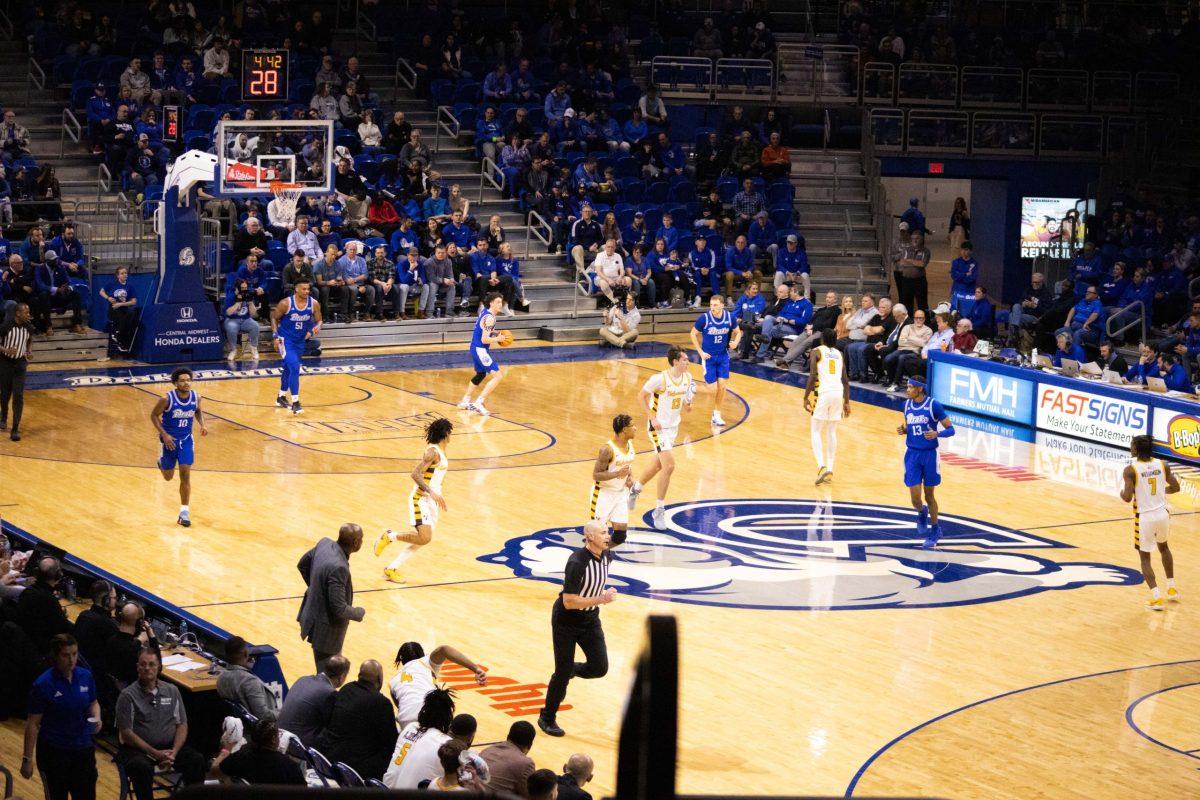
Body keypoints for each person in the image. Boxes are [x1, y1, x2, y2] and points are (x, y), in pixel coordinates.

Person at [538, 520, 617, 738]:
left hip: (590, 618)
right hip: (566, 621)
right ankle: (547, 717)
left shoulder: (607, 554)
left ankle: (571, 669)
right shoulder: (577, 562)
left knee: (600, 667)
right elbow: (569, 602)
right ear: (590, 537)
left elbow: (620, 536)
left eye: (607, 532)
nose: (607, 536)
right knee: (561, 673)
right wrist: (602, 597)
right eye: (603, 533)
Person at [116, 649, 206, 800]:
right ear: (137, 667)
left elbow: (182, 724)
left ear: (159, 667)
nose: (147, 668)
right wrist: (155, 753)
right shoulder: (127, 696)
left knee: (196, 760)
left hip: (169, 748)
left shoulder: (172, 691)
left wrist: (174, 752)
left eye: (151, 664)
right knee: (141, 768)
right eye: (143, 664)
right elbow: (127, 734)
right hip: (139, 750)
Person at [21, 634, 100, 800]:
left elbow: (93, 702)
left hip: (83, 750)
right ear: (56, 656)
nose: (72, 660)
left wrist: (97, 717)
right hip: (54, 753)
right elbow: (33, 724)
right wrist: (27, 759)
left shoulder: (85, 676)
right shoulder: (43, 684)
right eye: (66, 655)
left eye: (75, 654)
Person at [375, 417, 453, 583]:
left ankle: (391, 569)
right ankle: (390, 536)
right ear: (445, 433)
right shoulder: (432, 452)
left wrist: (437, 493)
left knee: (422, 540)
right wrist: (431, 491)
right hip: (421, 498)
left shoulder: (441, 451)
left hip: (432, 500)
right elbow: (415, 474)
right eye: (450, 432)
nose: (451, 436)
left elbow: (434, 477)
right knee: (424, 537)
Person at [628, 346, 694, 531]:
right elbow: (641, 396)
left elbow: (683, 401)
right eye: (685, 360)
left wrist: (687, 405)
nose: (688, 362)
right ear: (675, 362)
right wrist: (652, 417)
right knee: (669, 465)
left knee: (658, 465)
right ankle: (659, 509)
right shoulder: (659, 379)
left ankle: (635, 489)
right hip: (658, 428)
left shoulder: (687, 378)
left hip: (673, 427)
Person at [1120, 435, 1180, 611]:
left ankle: (1156, 597)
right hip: (1162, 513)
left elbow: (1127, 497)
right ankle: (1172, 587)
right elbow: (1176, 488)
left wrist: (1120, 492)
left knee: (1145, 558)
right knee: (1164, 548)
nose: (1130, 447)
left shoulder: (1130, 470)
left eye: (1132, 445)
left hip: (1145, 517)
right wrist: (1159, 493)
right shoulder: (1163, 464)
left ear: (1136, 449)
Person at [296, 524, 367, 671]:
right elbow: (339, 608)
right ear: (355, 543)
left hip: (313, 613)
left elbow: (303, 564)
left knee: (328, 674)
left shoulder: (325, 544)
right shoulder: (339, 567)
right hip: (326, 630)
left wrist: (317, 587)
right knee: (327, 676)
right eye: (361, 539)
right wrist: (358, 613)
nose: (362, 541)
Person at [314, 659, 397, 781]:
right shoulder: (382, 703)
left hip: (328, 755)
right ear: (379, 679)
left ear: (359, 675)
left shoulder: (345, 689)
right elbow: (391, 743)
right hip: (353, 767)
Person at [897, 377, 954, 549]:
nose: (907, 390)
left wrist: (938, 434)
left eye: (910, 387)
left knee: (929, 496)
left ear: (920, 389)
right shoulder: (906, 406)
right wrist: (904, 430)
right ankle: (922, 512)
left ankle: (935, 530)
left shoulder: (933, 405)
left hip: (930, 455)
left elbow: (951, 429)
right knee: (915, 499)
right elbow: (911, 428)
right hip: (912, 455)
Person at [149, 367, 207, 528]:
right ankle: (161, 463)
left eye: (188, 380)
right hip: (169, 442)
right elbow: (153, 415)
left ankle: (184, 512)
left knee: (185, 473)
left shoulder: (197, 397)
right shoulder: (166, 399)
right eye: (182, 380)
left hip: (186, 440)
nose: (186, 383)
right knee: (168, 477)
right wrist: (165, 435)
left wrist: (203, 424)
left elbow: (197, 411)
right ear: (175, 383)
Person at [388, 641, 486, 731]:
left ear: (402, 661)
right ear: (422, 654)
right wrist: (476, 668)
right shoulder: (424, 661)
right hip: (430, 713)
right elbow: (444, 649)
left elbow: (400, 705)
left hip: (406, 721)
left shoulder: (393, 681)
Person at [805, 328, 850, 485]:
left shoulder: (816, 351)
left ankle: (821, 466)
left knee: (815, 431)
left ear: (822, 339)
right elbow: (845, 380)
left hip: (823, 393)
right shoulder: (839, 354)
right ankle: (830, 468)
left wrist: (805, 397)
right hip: (838, 393)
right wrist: (847, 402)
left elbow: (812, 376)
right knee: (832, 431)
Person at [271, 279, 322, 415]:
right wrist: (275, 336)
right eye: (304, 289)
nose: (307, 291)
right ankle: (295, 402)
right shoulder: (285, 303)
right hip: (285, 340)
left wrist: (313, 330)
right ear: (297, 289)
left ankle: (281, 397)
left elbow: (319, 321)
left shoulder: (314, 304)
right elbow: (274, 318)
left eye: (308, 289)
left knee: (288, 369)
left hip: (300, 341)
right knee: (295, 367)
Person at [276, 654, 350, 748]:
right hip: (295, 746)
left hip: (277, 736)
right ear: (342, 676)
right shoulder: (330, 693)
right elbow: (332, 726)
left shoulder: (303, 679)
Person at [690, 294, 740, 427]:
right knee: (712, 389)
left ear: (722, 305)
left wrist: (735, 342)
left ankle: (716, 415)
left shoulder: (730, 317)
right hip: (709, 357)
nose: (713, 308)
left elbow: (738, 332)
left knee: (722, 387)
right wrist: (700, 352)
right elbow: (692, 333)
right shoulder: (704, 318)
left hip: (723, 356)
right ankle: (692, 388)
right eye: (711, 305)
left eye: (716, 305)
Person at [211, 715, 305, 785]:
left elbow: (214, 772)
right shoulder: (289, 766)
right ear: (273, 740)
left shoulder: (241, 756)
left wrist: (225, 750)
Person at [590, 414, 637, 546]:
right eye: (632, 425)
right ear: (624, 430)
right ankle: (590, 559)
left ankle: (604, 553)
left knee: (620, 536)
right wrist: (617, 474)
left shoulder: (629, 444)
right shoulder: (607, 449)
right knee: (596, 535)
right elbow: (596, 475)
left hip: (620, 493)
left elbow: (626, 465)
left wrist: (629, 478)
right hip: (603, 494)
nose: (635, 428)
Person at [458, 293, 506, 415]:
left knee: (480, 374)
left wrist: (495, 333)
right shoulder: (490, 318)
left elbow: (483, 329)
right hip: (480, 349)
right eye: (498, 302)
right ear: (491, 303)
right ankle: (479, 402)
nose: (500, 304)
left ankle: (465, 400)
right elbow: (485, 339)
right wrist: (498, 339)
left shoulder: (485, 312)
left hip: (475, 347)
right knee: (498, 376)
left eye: (501, 302)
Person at [216, 635, 277, 720]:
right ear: (245, 653)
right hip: (257, 730)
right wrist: (282, 713)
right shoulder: (249, 681)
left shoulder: (220, 678)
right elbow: (263, 715)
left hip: (235, 725)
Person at [0, 302, 33, 441]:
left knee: (18, 395)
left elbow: (30, 340)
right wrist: (6, 350)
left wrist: (29, 351)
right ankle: (3, 417)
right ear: (18, 313)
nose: (28, 315)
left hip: (20, 363)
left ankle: (15, 428)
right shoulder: (5, 326)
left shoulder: (29, 327)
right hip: (5, 363)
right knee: (5, 394)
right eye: (26, 312)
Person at [481, 721, 537, 796]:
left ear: (507, 737)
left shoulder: (488, 750)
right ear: (530, 745)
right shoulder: (526, 764)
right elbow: (530, 796)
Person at [99, 267, 137, 360]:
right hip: (114, 309)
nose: (125, 275)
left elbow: (133, 301)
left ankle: (119, 337)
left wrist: (121, 304)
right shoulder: (112, 284)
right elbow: (101, 291)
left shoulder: (130, 286)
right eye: (122, 273)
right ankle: (118, 335)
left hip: (123, 308)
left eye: (126, 273)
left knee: (130, 315)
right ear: (118, 275)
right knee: (120, 317)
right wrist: (108, 298)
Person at [949, 242, 977, 314]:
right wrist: (965, 274)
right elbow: (954, 276)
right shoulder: (956, 262)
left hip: (969, 292)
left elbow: (972, 278)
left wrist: (960, 275)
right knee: (954, 312)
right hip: (957, 291)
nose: (964, 252)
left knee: (967, 312)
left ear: (971, 251)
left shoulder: (974, 263)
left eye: (967, 250)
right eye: (963, 250)